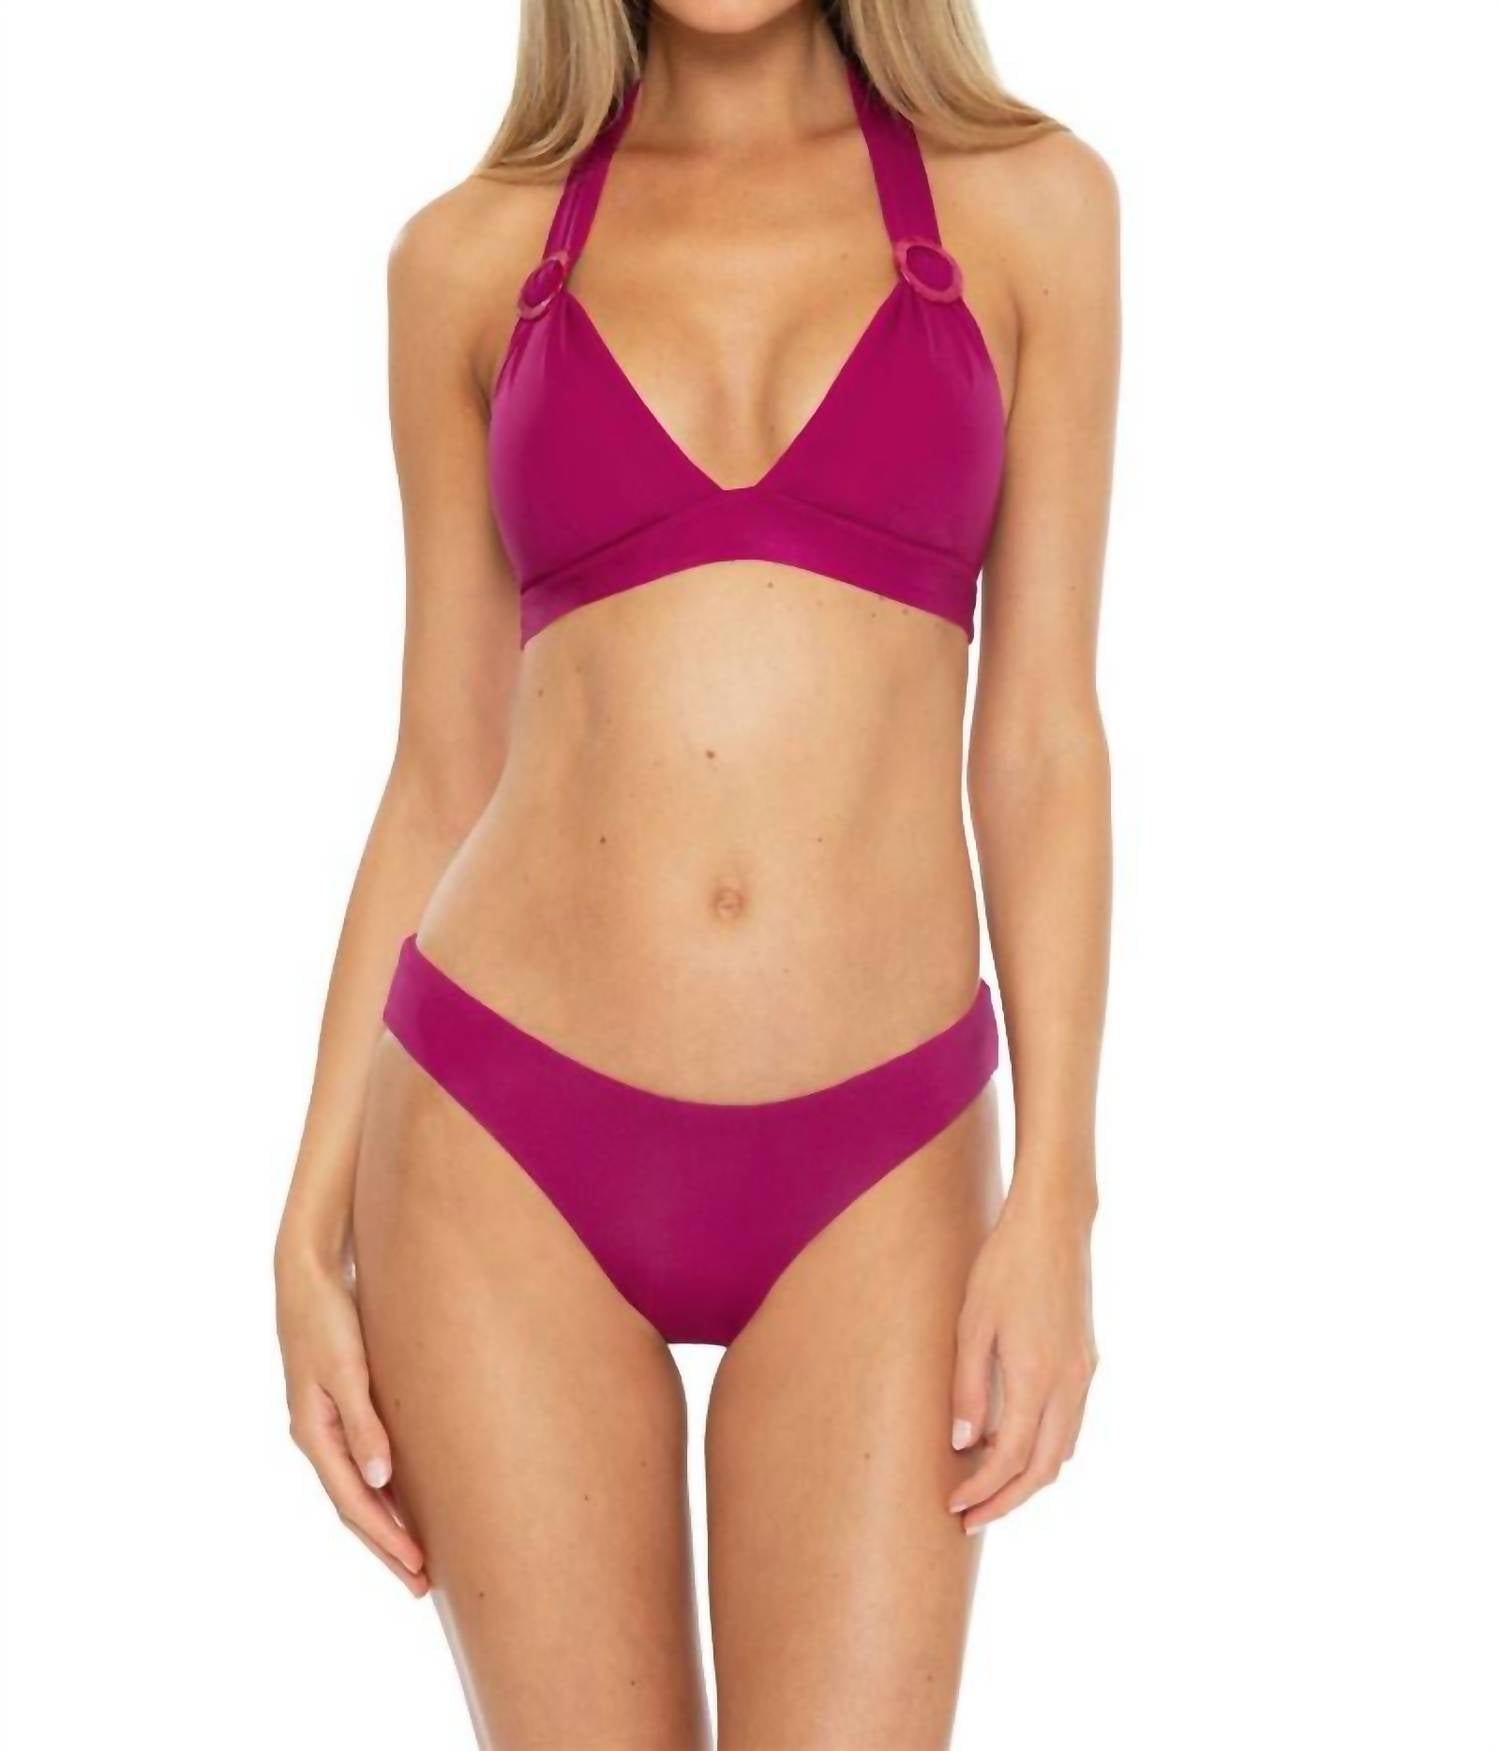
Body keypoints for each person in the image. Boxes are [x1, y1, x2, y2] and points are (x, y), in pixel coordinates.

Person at [275, 0, 1118, 1742]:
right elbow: (440, 768)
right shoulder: (470, 260)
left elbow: (1040, 745)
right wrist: (305, 1223)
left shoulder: (1029, 207)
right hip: (501, 1141)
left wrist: (1060, 1199)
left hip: (883, 1155)